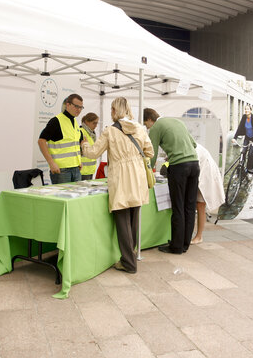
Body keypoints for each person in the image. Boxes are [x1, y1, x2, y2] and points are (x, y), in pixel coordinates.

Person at [81, 97, 153, 274]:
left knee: (122, 221)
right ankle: (132, 255)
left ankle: (128, 262)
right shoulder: (140, 129)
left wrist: (84, 144)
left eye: (112, 110)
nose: (111, 113)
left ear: (115, 110)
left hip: (121, 177)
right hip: (138, 176)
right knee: (134, 218)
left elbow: (93, 153)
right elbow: (149, 151)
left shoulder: (110, 131)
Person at [143, 108, 200, 254]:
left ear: (149, 119)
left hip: (179, 168)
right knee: (189, 206)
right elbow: (193, 144)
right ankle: (185, 244)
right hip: (194, 164)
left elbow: (152, 154)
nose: (147, 128)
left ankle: (176, 246)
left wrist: (146, 171)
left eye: (146, 124)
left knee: (178, 206)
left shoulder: (156, 127)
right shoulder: (177, 121)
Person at [38, 93, 84, 184]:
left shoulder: (74, 122)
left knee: (77, 198)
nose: (78, 110)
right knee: (62, 197)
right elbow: (41, 141)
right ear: (68, 104)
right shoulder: (56, 121)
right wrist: (51, 162)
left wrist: (79, 161)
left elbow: (74, 144)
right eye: (76, 106)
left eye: (81, 107)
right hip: (61, 170)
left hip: (76, 168)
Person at [191, 143, 225, 244]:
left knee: (200, 205)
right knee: (197, 205)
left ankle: (199, 236)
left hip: (205, 173)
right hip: (200, 172)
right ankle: (194, 235)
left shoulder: (193, 149)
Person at [233, 105, 253, 170]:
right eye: (245, 109)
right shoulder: (244, 117)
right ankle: (241, 170)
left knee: (250, 154)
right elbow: (240, 127)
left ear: (250, 110)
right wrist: (234, 138)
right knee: (243, 152)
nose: (246, 110)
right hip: (247, 137)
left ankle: (250, 169)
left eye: (248, 109)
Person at [79, 112, 100, 180]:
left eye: (97, 123)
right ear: (87, 122)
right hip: (82, 171)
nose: (96, 125)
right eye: (94, 123)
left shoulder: (92, 134)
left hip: (90, 170)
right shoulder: (81, 132)